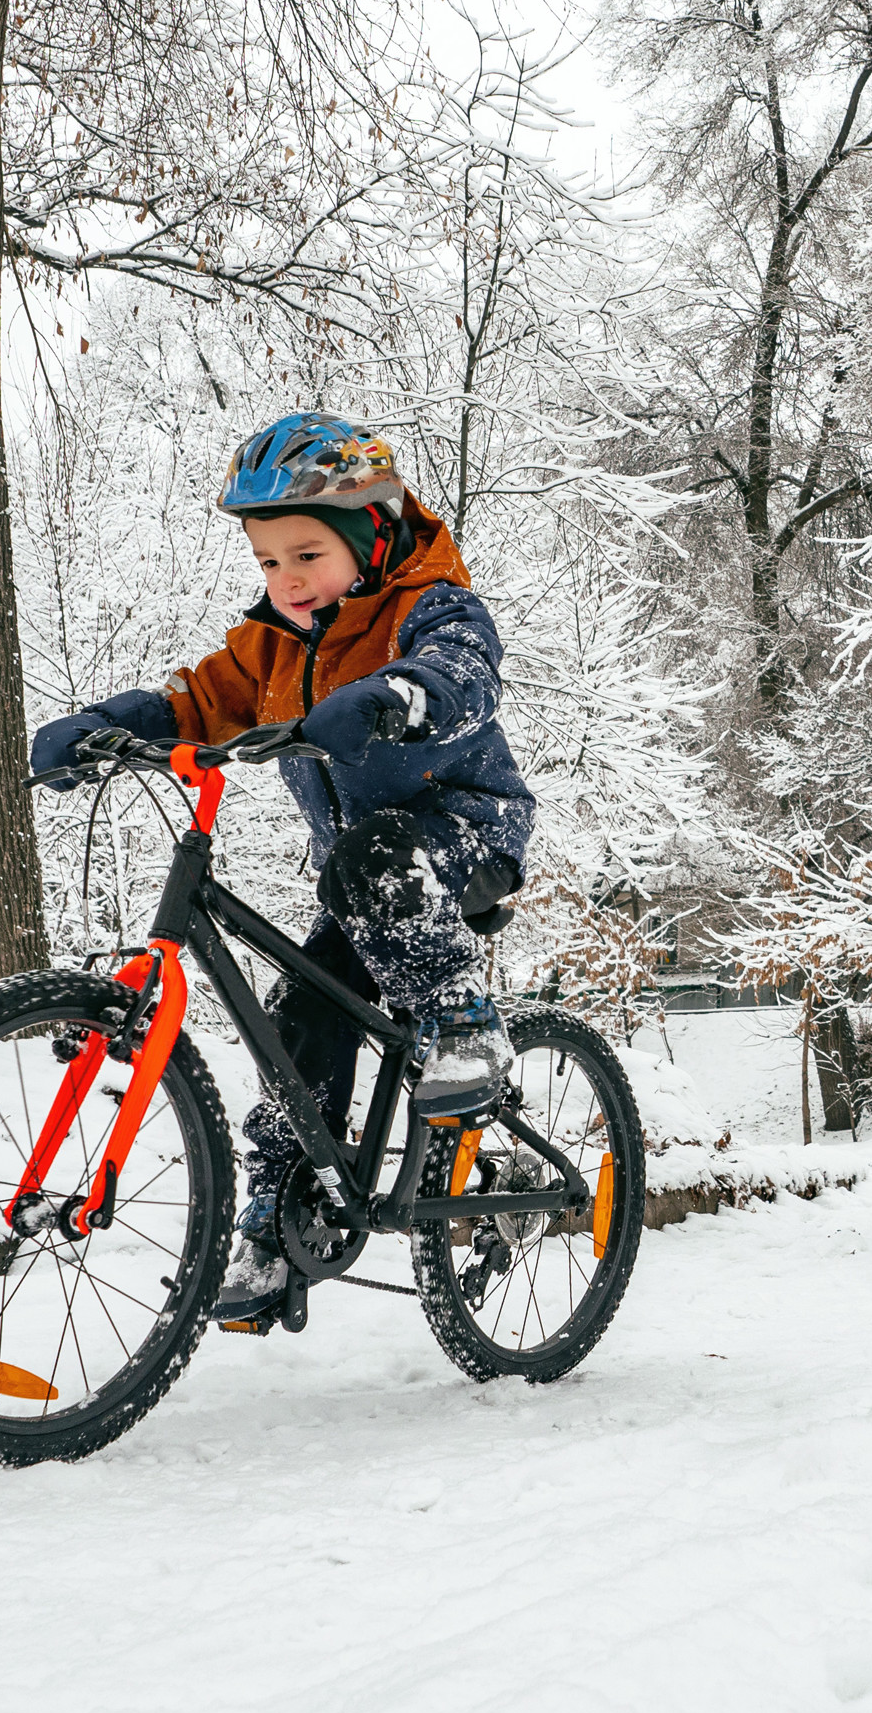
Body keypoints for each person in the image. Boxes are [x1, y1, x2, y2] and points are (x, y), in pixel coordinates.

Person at [30, 413, 533, 1321]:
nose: (286, 581)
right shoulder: (270, 645)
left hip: (462, 839)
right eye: (268, 562)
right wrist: (111, 722)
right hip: (360, 883)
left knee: (370, 857)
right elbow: (201, 700)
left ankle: (463, 1020)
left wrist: (396, 694)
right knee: (300, 1014)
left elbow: (466, 670)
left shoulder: (430, 607)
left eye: (306, 555)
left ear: (372, 536)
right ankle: (278, 1223)